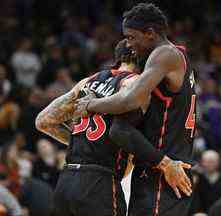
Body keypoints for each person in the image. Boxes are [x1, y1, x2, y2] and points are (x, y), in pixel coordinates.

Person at [36, 40, 189, 216]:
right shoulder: (134, 84)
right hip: (100, 183)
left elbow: (43, 121)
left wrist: (82, 143)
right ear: (137, 54)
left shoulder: (87, 82)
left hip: (66, 180)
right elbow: (122, 131)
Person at [74, 3, 196, 215]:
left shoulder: (164, 54)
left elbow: (129, 99)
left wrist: (90, 104)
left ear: (150, 33)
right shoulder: (175, 56)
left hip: (164, 169)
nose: (129, 45)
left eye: (131, 37)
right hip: (159, 166)